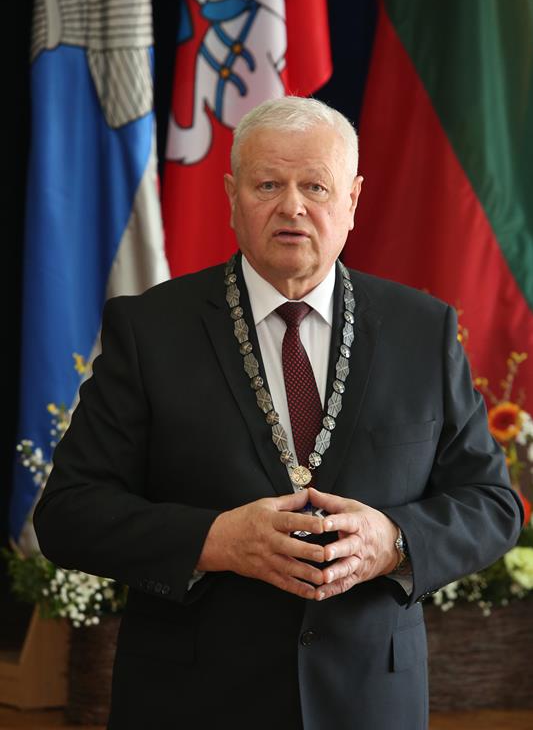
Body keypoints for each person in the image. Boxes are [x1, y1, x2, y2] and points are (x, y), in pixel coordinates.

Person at [33, 96, 523, 730]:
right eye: (268, 184)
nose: (292, 206)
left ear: (352, 199)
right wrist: (214, 541)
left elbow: (492, 504)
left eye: (315, 186)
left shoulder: (423, 331)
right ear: (232, 196)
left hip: (369, 702)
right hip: (191, 702)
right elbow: (68, 513)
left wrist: (393, 542)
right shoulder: (149, 329)